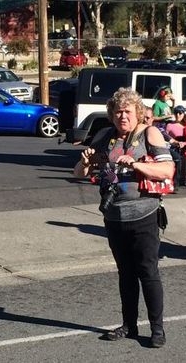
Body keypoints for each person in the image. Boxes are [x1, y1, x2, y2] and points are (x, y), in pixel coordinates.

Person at [74, 87, 174, 348]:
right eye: (117, 111)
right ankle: (129, 325)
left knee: (147, 271)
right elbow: (78, 173)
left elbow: (167, 169)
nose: (122, 116)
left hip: (144, 214)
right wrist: (85, 162)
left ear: (138, 112)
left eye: (127, 111)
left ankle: (157, 329)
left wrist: (137, 164)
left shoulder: (149, 134)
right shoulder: (105, 136)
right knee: (125, 273)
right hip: (114, 217)